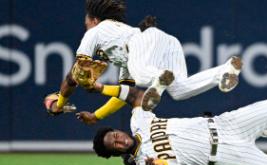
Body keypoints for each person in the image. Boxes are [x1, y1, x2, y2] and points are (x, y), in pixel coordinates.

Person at [51, 0, 242, 122]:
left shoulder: (95, 31)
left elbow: (75, 73)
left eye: (86, 21)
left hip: (143, 40)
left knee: (142, 77)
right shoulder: (119, 46)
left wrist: (59, 103)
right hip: (164, 41)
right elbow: (127, 94)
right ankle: (223, 71)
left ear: (93, 19)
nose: (85, 25)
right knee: (179, 91)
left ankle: (159, 78)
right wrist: (96, 115)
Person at [87, 85, 267, 165]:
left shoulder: (139, 122)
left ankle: (259, 128)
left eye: (115, 135)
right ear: (116, 153)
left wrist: (102, 88)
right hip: (227, 155)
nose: (119, 140)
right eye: (114, 145)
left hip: (224, 124)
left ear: (118, 131)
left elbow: (136, 96)